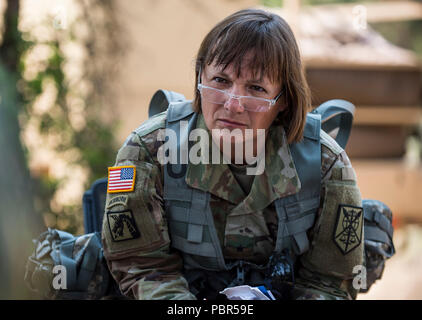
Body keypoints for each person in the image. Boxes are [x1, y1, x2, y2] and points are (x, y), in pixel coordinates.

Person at [101, 8, 364, 300]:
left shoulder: (327, 164)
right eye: (220, 81)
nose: (233, 104)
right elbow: (142, 267)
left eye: (255, 88)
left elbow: (330, 282)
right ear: (200, 78)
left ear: (284, 100)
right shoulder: (148, 150)